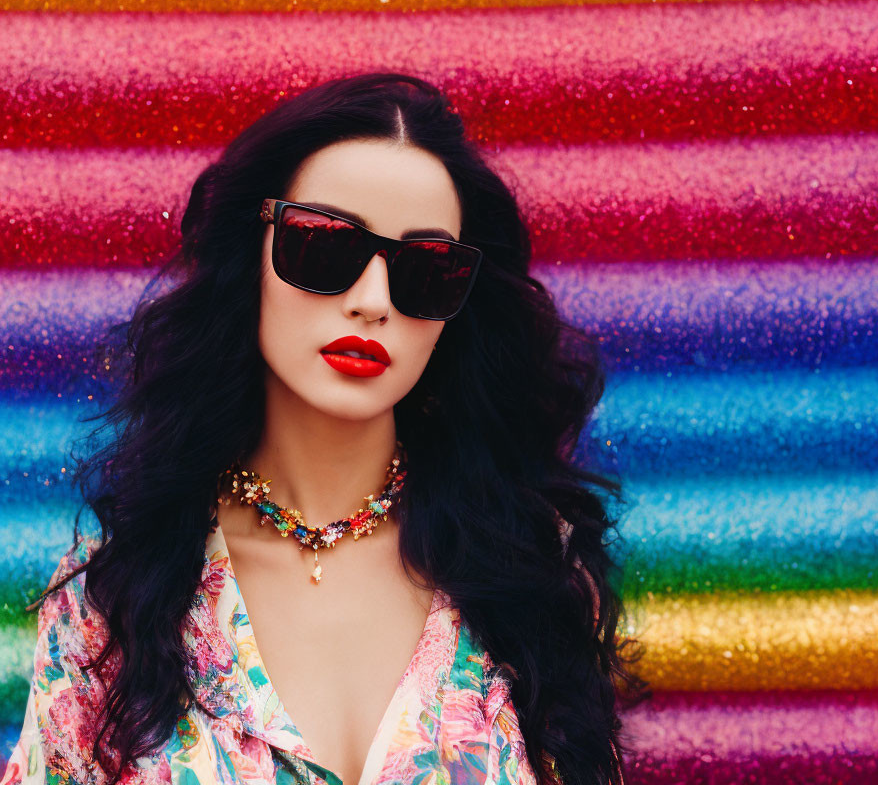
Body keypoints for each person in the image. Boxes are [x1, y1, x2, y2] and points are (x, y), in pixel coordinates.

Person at [1, 73, 638, 785]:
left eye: (426, 270)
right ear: (253, 261)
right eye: (324, 246)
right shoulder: (116, 596)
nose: (371, 302)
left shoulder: (529, 578)